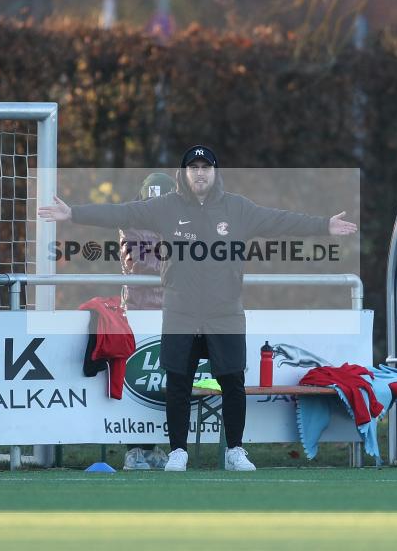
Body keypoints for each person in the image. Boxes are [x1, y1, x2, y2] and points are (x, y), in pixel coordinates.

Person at [39, 145, 358, 471]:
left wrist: (324, 226)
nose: (200, 173)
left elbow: (280, 221)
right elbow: (122, 214)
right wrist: (74, 213)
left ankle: (235, 450)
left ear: (215, 172)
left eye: (206, 167)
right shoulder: (166, 207)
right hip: (181, 311)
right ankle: (178, 451)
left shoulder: (237, 209)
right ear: (185, 173)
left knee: (232, 380)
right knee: (178, 381)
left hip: (225, 312)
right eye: (194, 167)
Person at [120, 173, 175, 471]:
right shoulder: (131, 223)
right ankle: (133, 450)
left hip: (174, 311)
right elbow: (139, 261)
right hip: (140, 312)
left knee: (163, 383)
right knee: (139, 379)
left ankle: (152, 447)